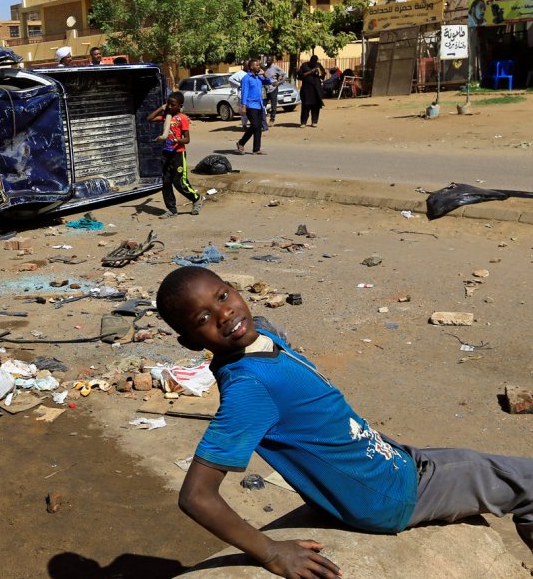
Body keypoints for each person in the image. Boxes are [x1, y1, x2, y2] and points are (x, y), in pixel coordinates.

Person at [156, 265, 533, 579]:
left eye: (223, 297)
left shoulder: (258, 340)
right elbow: (196, 496)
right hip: (390, 496)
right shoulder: (248, 388)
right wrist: (270, 552)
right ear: (190, 342)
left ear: (234, 290)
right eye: (203, 318)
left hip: (388, 463)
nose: (225, 315)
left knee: (473, 460)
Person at [147, 92, 201, 218]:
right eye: (169, 104)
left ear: (180, 106)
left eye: (173, 105)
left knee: (179, 182)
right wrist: (161, 108)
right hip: (166, 154)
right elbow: (149, 119)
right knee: (166, 182)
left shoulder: (182, 118)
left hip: (178, 154)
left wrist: (177, 140)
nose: (170, 107)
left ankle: (196, 199)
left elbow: (187, 139)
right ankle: (171, 209)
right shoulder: (166, 117)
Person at [235, 60, 271, 155]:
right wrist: (243, 105)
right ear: (251, 67)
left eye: (259, 65)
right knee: (255, 125)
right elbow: (244, 92)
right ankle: (241, 142)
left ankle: (256, 149)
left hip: (259, 105)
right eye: (257, 65)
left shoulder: (258, 78)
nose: (259, 66)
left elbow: (269, 82)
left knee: (258, 127)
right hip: (250, 105)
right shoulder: (246, 78)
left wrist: (264, 74)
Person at [298, 55, 326, 127]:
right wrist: (311, 71)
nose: (313, 63)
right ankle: (303, 122)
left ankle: (314, 121)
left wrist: (319, 71)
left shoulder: (318, 65)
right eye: (312, 61)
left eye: (315, 62)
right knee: (305, 107)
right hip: (306, 90)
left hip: (316, 90)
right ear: (310, 60)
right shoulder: (304, 65)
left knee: (316, 107)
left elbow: (323, 75)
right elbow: (300, 76)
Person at [263, 58, 288, 126]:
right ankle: (263, 120)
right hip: (265, 88)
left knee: (273, 105)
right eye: (267, 60)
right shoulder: (264, 68)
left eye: (269, 60)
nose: (268, 61)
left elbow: (285, 75)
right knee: (263, 105)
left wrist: (279, 83)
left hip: (273, 89)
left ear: (272, 61)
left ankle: (272, 119)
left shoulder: (276, 67)